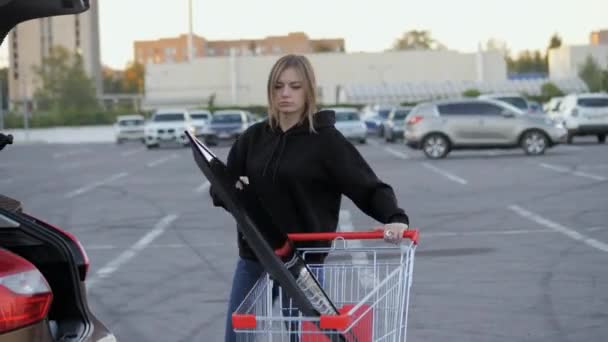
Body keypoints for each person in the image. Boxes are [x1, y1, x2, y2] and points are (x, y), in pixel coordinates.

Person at [210, 54, 410, 342]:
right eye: (278, 87)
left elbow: (366, 185)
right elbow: (221, 187)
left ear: (309, 91)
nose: (285, 94)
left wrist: (395, 218)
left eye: (295, 86)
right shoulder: (253, 138)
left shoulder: (327, 142)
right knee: (238, 337)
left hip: (303, 263)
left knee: (302, 339)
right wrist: (231, 191)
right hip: (255, 255)